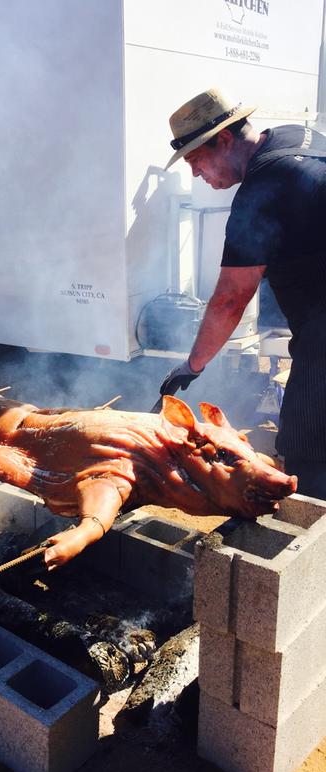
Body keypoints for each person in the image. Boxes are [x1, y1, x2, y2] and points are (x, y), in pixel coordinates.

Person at [159, 87, 326, 499]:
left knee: (307, 446)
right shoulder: (296, 136)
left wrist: (193, 364)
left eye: (196, 160)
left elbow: (231, 298)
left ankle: (310, 525)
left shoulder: (260, 193)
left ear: (224, 140)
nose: (195, 174)